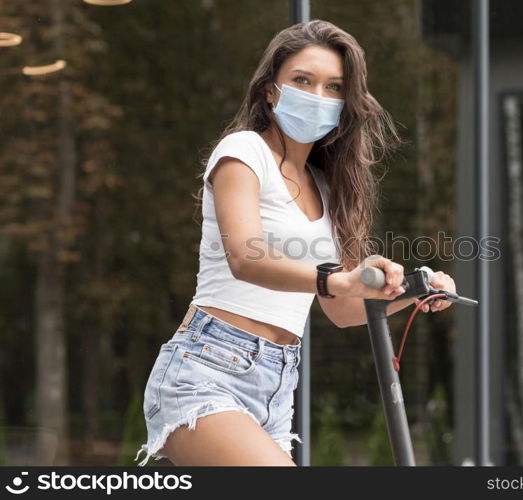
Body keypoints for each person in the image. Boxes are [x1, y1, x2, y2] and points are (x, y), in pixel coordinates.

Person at [134, 19, 456, 467]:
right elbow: (247, 258)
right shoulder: (244, 152)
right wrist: (338, 280)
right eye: (302, 81)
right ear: (271, 89)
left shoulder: (332, 189)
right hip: (208, 368)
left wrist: (417, 290)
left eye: (334, 87)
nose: (317, 97)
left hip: (278, 383)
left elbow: (343, 309)